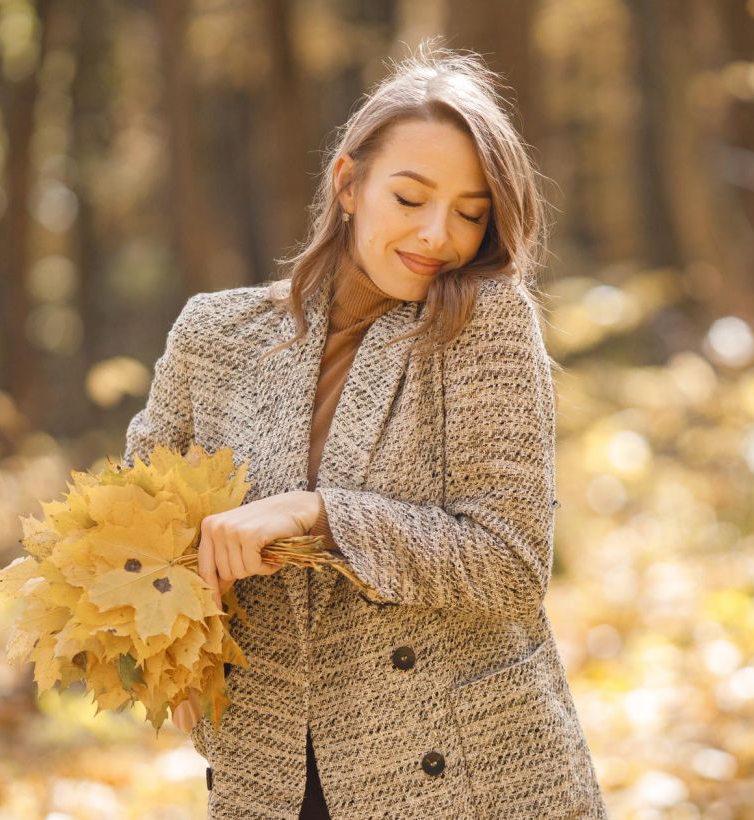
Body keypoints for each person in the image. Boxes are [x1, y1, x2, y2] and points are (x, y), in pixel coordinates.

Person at [121, 39, 610, 819]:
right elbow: (134, 531)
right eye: (410, 199)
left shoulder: (484, 321)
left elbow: (511, 561)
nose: (437, 237)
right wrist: (164, 646)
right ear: (348, 184)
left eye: (470, 214)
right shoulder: (214, 335)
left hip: (468, 778)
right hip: (268, 776)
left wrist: (320, 515)